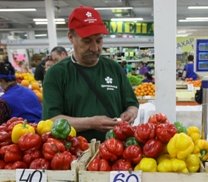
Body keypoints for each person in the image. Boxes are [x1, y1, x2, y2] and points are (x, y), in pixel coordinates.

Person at [42, 6, 139, 142]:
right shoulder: (56, 74)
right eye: (87, 41)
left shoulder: (114, 68)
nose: (95, 48)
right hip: (74, 153)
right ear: (71, 37)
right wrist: (91, 122)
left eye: (99, 40)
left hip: (115, 150)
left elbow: (132, 103)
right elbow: (51, 120)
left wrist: (131, 113)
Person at [0, 61, 42, 129]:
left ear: (0, 80)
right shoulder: (30, 91)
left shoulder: (2, 101)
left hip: (21, 134)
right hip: (40, 131)